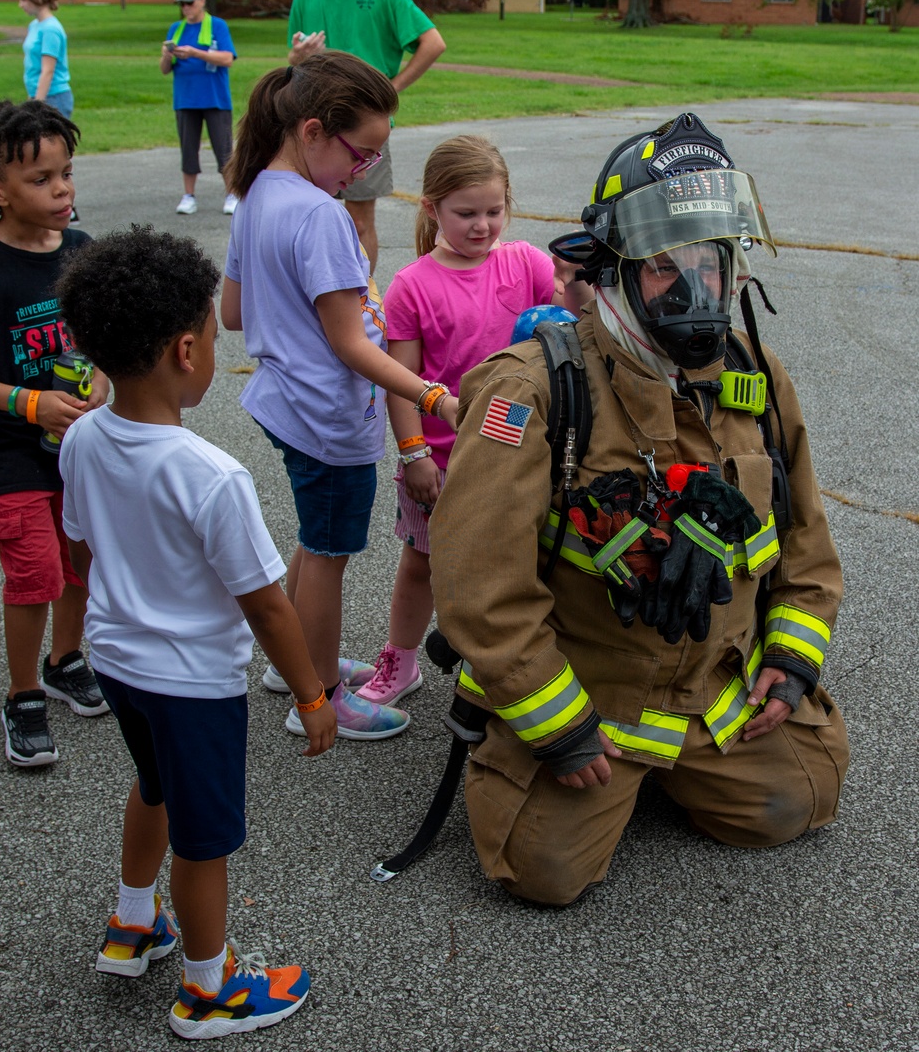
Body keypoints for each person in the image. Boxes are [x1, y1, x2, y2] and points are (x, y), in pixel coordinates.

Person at [428, 112, 850, 905]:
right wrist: (558, 726)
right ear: (615, 269)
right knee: (542, 873)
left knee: (802, 797)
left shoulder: (756, 379)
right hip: (591, 691)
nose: (696, 287)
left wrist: (791, 664)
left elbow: (806, 547)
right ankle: (541, 753)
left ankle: (676, 765)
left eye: (711, 261)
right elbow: (478, 586)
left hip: (717, 692)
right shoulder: (534, 390)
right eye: (664, 266)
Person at [56, 225, 337, 1040]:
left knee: (154, 786)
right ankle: (205, 991)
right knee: (205, 839)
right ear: (186, 349)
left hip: (117, 661)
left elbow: (82, 543)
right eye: (215, 335)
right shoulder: (212, 476)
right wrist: (315, 694)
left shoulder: (79, 437)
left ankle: (132, 920)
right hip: (192, 684)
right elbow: (267, 605)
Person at [220, 50, 460, 742]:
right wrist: (437, 399)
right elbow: (354, 346)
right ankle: (317, 693)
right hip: (327, 417)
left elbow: (235, 312)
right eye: (363, 154)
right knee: (329, 552)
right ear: (316, 130)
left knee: (314, 534)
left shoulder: (257, 191)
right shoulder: (323, 217)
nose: (365, 172)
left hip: (283, 405)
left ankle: (290, 662)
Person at [354, 135, 591, 707]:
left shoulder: (528, 263)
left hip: (524, 450)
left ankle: (527, 664)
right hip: (444, 458)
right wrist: (413, 456)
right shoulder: (412, 285)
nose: (483, 226)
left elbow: (573, 327)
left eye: (494, 211)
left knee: (529, 563)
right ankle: (402, 660)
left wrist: (582, 277)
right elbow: (399, 379)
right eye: (466, 214)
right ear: (431, 208)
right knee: (422, 564)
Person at [0, 99, 110, 768]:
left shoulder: (84, 253)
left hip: (76, 447)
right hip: (7, 449)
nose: (62, 189)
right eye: (42, 180)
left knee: (81, 559)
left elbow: (96, 346)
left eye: (67, 173)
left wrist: (98, 387)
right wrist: (28, 404)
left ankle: (67, 660)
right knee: (34, 571)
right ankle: (23, 694)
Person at [287, 0, 446, 272]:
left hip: (363, 126)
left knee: (359, 223)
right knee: (306, 219)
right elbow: (291, 61)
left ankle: (362, 300)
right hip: (312, 125)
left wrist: (392, 88)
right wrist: (298, 59)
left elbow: (433, 42)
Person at [160, 0, 238, 216]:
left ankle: (232, 193)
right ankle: (188, 195)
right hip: (186, 99)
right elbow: (165, 69)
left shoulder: (217, 25)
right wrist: (167, 55)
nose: (186, 8)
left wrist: (194, 52)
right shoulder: (177, 28)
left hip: (215, 99)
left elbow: (227, 59)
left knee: (223, 149)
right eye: (182, 4)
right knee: (188, 149)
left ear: (202, 0)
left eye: (190, 2)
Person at [18, 0, 74, 119]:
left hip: (54, 98)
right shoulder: (34, 25)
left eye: (24, 0)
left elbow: (48, 70)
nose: (20, 4)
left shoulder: (50, 29)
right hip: (38, 95)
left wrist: (37, 104)